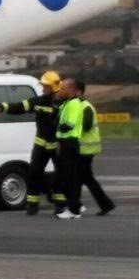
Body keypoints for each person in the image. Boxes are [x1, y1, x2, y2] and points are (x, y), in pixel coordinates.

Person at [0, 71, 66, 215]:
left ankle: (60, 203)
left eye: (45, 85)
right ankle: (32, 204)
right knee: (34, 173)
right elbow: (20, 107)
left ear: (53, 86)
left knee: (60, 175)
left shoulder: (64, 105)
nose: (43, 88)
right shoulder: (38, 101)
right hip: (41, 145)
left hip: (58, 146)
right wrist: (2, 107)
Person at [76, 81, 115, 216]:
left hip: (86, 150)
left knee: (78, 178)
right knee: (87, 178)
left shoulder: (85, 107)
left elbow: (85, 126)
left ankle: (75, 206)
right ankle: (106, 204)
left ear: (79, 92)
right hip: (82, 149)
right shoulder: (76, 106)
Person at [54, 78, 84, 220]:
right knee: (66, 177)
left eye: (64, 89)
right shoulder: (67, 103)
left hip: (69, 143)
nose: (61, 90)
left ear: (72, 90)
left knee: (70, 178)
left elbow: (69, 125)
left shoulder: (73, 104)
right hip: (65, 143)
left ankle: (74, 210)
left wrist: (55, 127)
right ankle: (75, 207)